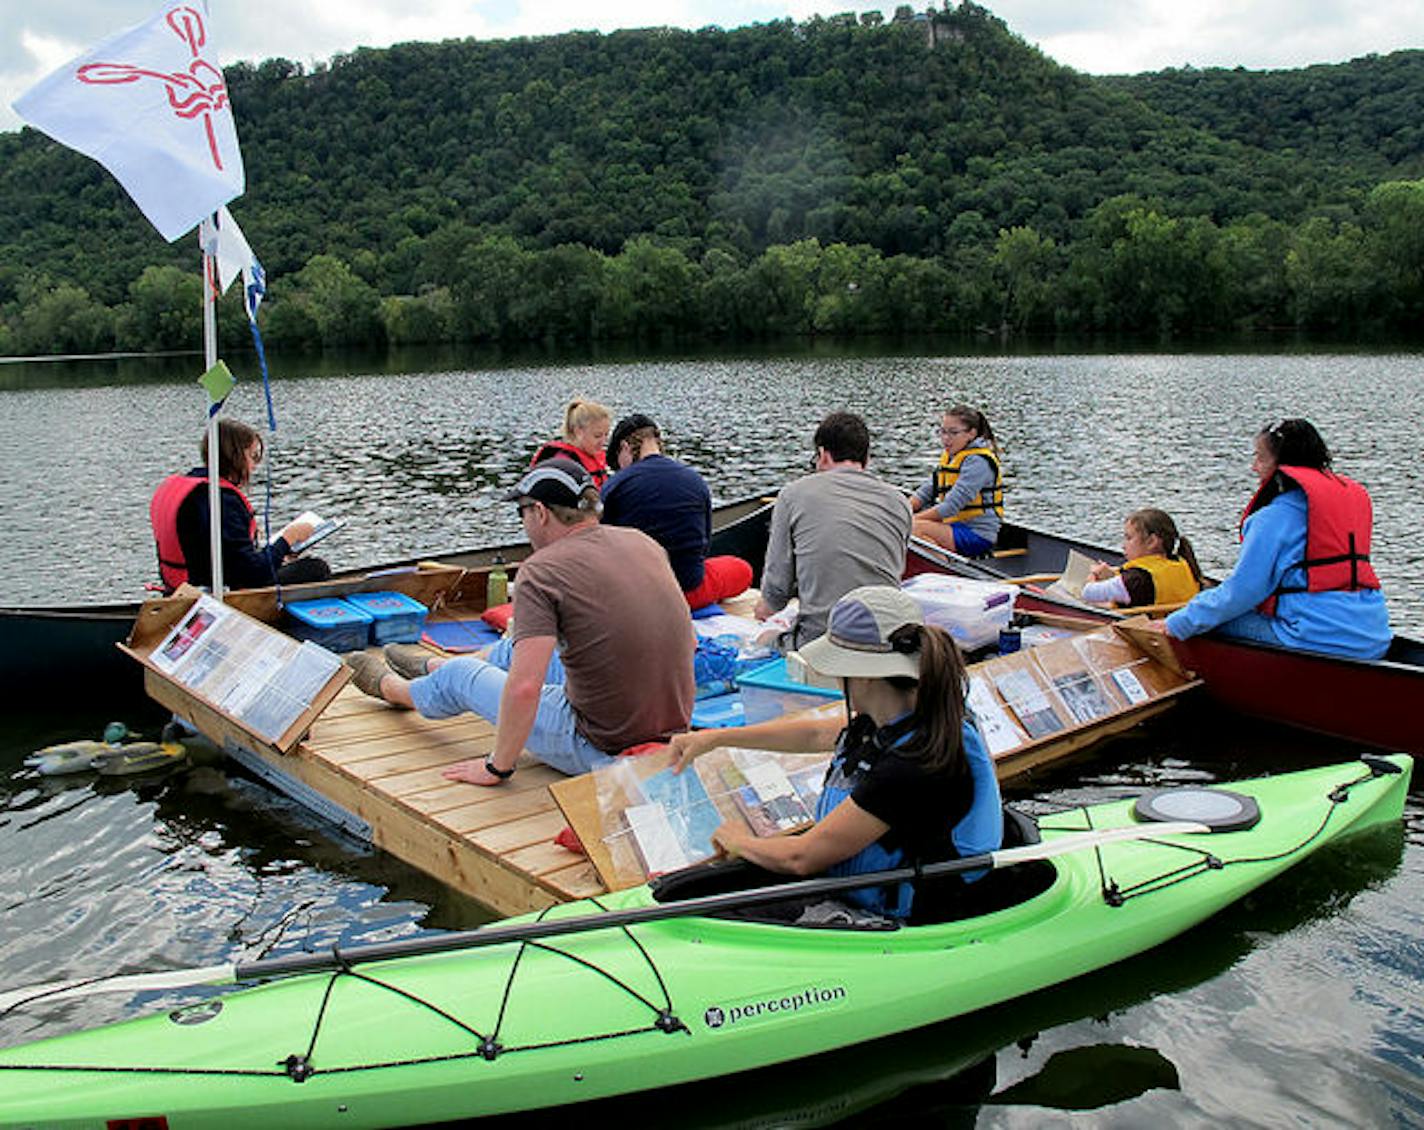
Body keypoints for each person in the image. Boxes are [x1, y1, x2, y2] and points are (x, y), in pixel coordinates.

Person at [344, 457, 695, 784]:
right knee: (513, 649)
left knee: (463, 677)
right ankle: (433, 667)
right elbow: (688, 641)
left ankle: (396, 690)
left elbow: (526, 687)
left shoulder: (541, 571)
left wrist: (498, 765)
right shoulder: (643, 543)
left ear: (540, 512)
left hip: (599, 744)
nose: (523, 524)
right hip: (670, 728)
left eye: (521, 513)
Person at [669, 585, 1002, 924]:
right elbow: (814, 733)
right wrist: (717, 738)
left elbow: (801, 857)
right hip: (864, 884)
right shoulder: (906, 710)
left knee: (722, 909)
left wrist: (738, 841)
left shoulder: (913, 766)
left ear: (865, 675)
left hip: (910, 915)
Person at [1162, 418, 1391, 659]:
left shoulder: (1273, 517)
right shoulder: (1349, 506)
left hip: (1312, 639)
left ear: (1282, 465)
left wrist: (1176, 623)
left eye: (1260, 458)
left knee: (1203, 621)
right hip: (1373, 638)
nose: (1254, 467)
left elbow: (1243, 591)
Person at [758, 412, 912, 648]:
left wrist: (764, 608)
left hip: (821, 640)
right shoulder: (900, 501)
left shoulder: (792, 495)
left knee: (762, 640)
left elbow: (776, 592)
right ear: (866, 459)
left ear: (822, 454)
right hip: (889, 635)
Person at [149, 418, 331, 594]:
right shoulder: (221, 499)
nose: (255, 465)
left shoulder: (189, 487)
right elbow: (253, 574)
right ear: (236, 456)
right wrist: (287, 539)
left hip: (180, 586)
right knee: (316, 568)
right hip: (215, 590)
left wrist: (278, 554)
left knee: (281, 561)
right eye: (253, 456)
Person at [600, 413, 752, 609]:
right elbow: (704, 544)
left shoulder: (615, 485)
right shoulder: (695, 480)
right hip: (688, 590)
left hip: (635, 594)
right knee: (741, 569)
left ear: (625, 447)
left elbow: (601, 547)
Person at [910, 405, 1004, 555]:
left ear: (971, 434)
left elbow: (950, 507)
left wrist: (907, 520)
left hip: (977, 534)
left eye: (953, 433)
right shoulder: (952, 457)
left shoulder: (978, 462)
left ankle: (942, 566)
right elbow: (924, 493)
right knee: (907, 522)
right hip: (952, 525)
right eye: (943, 432)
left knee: (912, 528)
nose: (946, 439)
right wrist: (902, 511)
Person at [1082, 508, 1203, 608]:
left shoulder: (1136, 580)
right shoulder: (1182, 563)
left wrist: (1093, 576)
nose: (1123, 545)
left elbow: (1088, 592)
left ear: (1152, 541)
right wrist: (1112, 573)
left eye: (1129, 538)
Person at [530, 397, 612, 487]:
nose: (603, 441)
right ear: (578, 432)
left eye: (606, 435)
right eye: (597, 436)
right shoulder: (562, 465)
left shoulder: (595, 456)